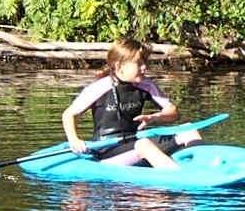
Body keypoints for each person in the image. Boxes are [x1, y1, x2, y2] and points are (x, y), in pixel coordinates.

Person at [61, 37, 201, 168]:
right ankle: (181, 177)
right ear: (119, 66)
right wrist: (74, 140)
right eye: (139, 64)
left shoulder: (146, 85)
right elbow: (68, 114)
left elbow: (173, 113)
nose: (144, 67)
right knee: (143, 145)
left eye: (144, 63)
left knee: (188, 129)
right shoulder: (99, 87)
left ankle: (204, 168)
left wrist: (154, 118)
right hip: (106, 151)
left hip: (135, 142)